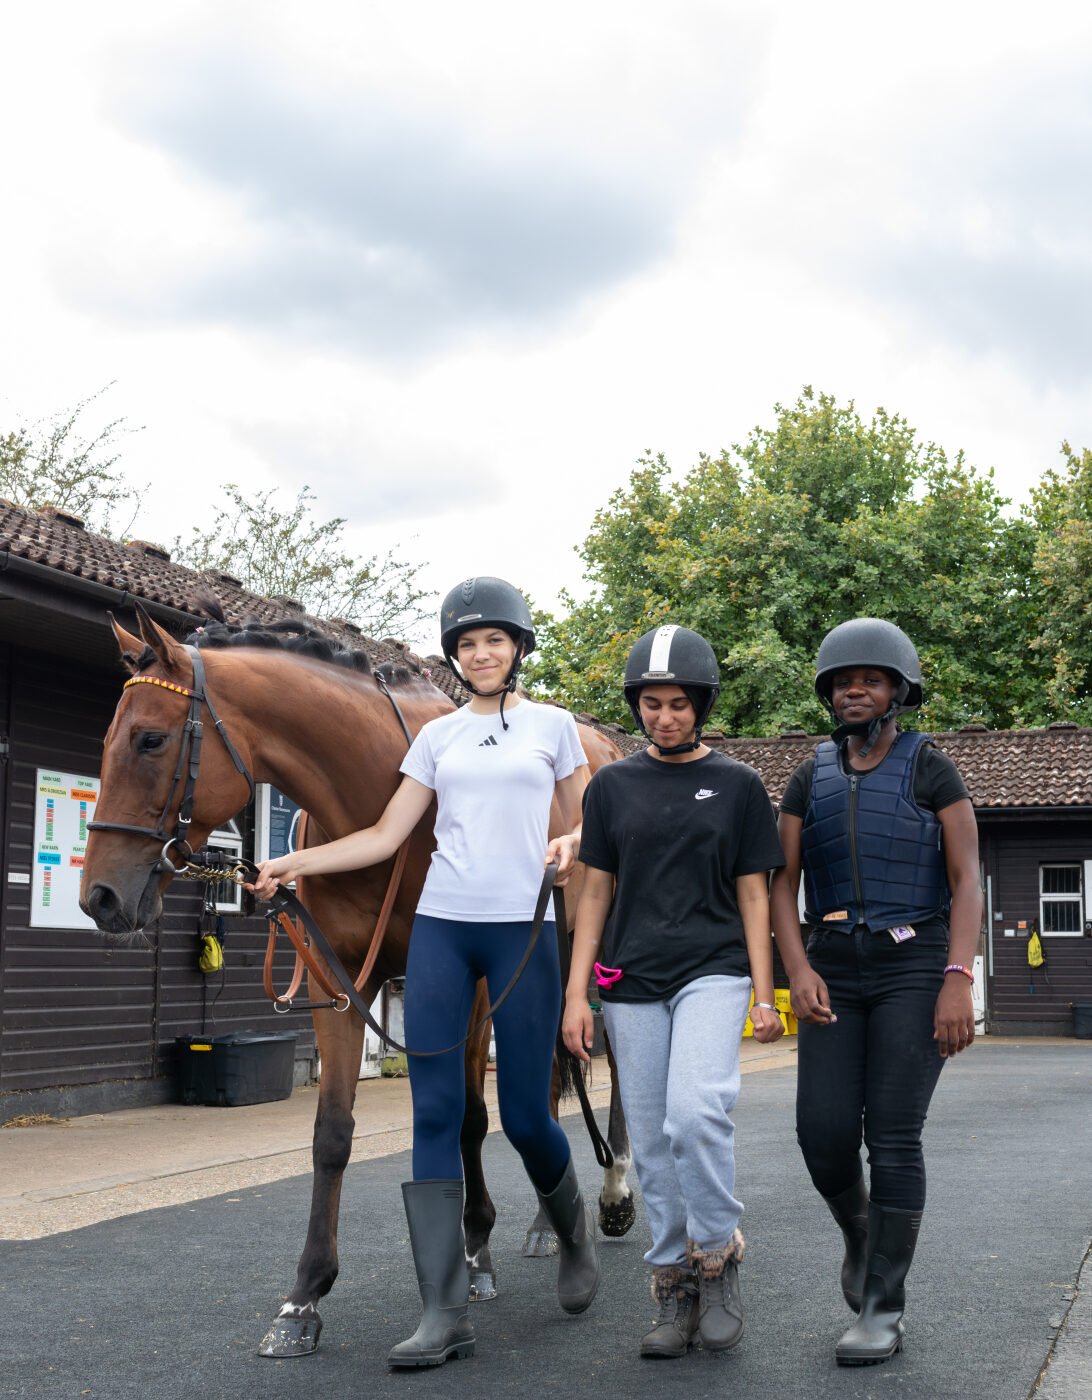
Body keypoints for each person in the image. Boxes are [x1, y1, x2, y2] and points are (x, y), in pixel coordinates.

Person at [249, 577, 600, 1369]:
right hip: (445, 930)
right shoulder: (436, 738)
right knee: (435, 1112)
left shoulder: (553, 728)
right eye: (468, 644)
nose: (481, 654)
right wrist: (288, 862)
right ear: (455, 656)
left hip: (522, 931)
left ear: (517, 649)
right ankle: (443, 1310)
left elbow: (588, 819)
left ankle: (573, 1230)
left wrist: (574, 844)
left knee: (525, 1114)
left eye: (495, 641)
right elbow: (382, 834)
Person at [561, 624, 785, 1360]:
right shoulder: (613, 786)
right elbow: (592, 894)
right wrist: (575, 997)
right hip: (630, 981)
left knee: (695, 1116)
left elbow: (755, 894)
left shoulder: (738, 784)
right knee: (651, 1145)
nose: (665, 716)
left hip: (714, 971)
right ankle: (672, 1285)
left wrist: (763, 991)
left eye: (679, 704)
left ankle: (718, 1255)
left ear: (701, 705)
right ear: (637, 707)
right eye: (652, 704)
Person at [769, 618, 981, 1367]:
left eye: (870, 679)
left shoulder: (932, 767)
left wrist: (958, 978)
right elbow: (782, 881)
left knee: (892, 1133)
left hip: (915, 964)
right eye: (841, 681)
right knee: (822, 1136)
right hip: (831, 965)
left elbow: (965, 879)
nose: (854, 689)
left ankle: (882, 1305)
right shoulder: (808, 774)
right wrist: (797, 970)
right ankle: (862, 1234)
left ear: (897, 691)